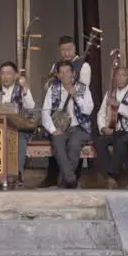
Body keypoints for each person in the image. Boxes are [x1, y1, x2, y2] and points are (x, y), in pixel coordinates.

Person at [41, 35, 92, 187]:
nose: (65, 75)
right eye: (61, 73)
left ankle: (67, 179)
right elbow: (45, 111)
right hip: (60, 126)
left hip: (79, 126)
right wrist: (52, 129)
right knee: (57, 141)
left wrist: (76, 95)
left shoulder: (82, 80)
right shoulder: (54, 86)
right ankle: (70, 180)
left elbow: (88, 109)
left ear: (73, 73)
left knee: (74, 145)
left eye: (67, 72)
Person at [93, 66, 128, 189]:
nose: (120, 78)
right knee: (99, 141)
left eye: (124, 75)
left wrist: (118, 106)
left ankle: (112, 175)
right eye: (118, 75)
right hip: (112, 130)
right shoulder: (110, 94)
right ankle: (108, 176)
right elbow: (101, 113)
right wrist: (103, 127)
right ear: (115, 77)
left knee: (120, 141)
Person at [0, 62, 37, 187]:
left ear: (16, 75)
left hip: (20, 129)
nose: (5, 76)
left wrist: (25, 89)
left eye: (9, 73)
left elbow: (31, 106)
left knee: (20, 140)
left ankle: (17, 173)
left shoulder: (22, 89)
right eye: (2, 73)